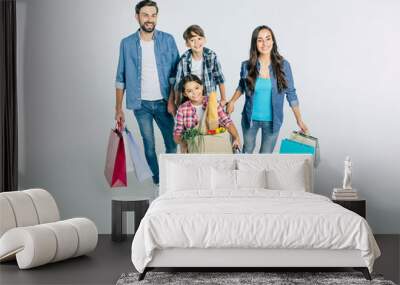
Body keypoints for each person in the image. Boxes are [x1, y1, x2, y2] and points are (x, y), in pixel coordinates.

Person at [114, 0, 180, 185]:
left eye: (153, 15)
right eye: (145, 15)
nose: (150, 19)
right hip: (140, 104)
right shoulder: (126, 44)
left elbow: (176, 74)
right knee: (149, 146)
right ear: (137, 17)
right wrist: (118, 109)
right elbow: (121, 77)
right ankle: (159, 183)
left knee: (172, 143)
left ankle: (172, 181)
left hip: (164, 101)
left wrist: (172, 100)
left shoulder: (168, 40)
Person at [226, 25, 308, 153]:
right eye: (260, 40)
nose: (264, 43)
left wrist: (299, 119)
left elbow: (291, 94)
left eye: (268, 39)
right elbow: (242, 86)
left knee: (265, 157)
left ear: (273, 41)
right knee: (247, 151)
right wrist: (232, 101)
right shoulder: (246, 66)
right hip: (250, 119)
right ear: (255, 43)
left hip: (273, 121)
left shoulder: (284, 66)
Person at [174, 75, 240, 153]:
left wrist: (236, 137)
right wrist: (183, 144)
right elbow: (178, 133)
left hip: (217, 147)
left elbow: (227, 122)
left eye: (196, 88)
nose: (194, 93)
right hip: (196, 150)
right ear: (185, 94)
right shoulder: (182, 109)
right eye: (189, 91)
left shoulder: (212, 102)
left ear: (202, 87)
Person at [174, 25, 227, 106]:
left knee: (210, 118)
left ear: (204, 40)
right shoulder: (184, 60)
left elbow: (220, 79)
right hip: (192, 98)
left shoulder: (211, 56)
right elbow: (178, 84)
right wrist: (177, 103)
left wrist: (223, 99)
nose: (197, 43)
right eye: (192, 40)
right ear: (187, 44)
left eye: (199, 39)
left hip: (209, 97)